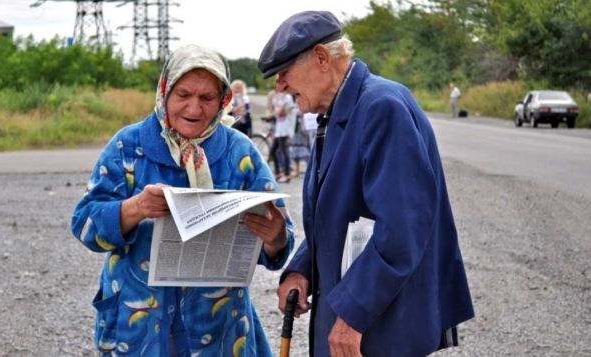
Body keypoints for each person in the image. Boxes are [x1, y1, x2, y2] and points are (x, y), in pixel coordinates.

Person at [258, 11, 474, 357]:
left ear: (322, 58)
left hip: (381, 324)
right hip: (364, 316)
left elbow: (402, 230)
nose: (279, 86)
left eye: (284, 72)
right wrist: (301, 268)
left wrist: (353, 315)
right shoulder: (340, 111)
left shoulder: (380, 107)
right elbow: (335, 218)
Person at [71, 44, 295, 356]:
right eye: (184, 94)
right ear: (165, 92)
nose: (194, 108)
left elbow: (280, 242)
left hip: (218, 332)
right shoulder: (127, 146)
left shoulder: (239, 152)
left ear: (223, 100)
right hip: (139, 329)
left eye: (207, 98)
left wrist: (275, 238)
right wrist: (135, 208)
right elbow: (84, 223)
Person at [269, 88, 297, 183]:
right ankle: (278, 173)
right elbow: (274, 110)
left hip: (286, 129)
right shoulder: (278, 97)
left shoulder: (288, 98)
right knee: (273, 151)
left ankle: (287, 174)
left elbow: (281, 112)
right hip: (279, 129)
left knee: (284, 152)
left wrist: (275, 112)